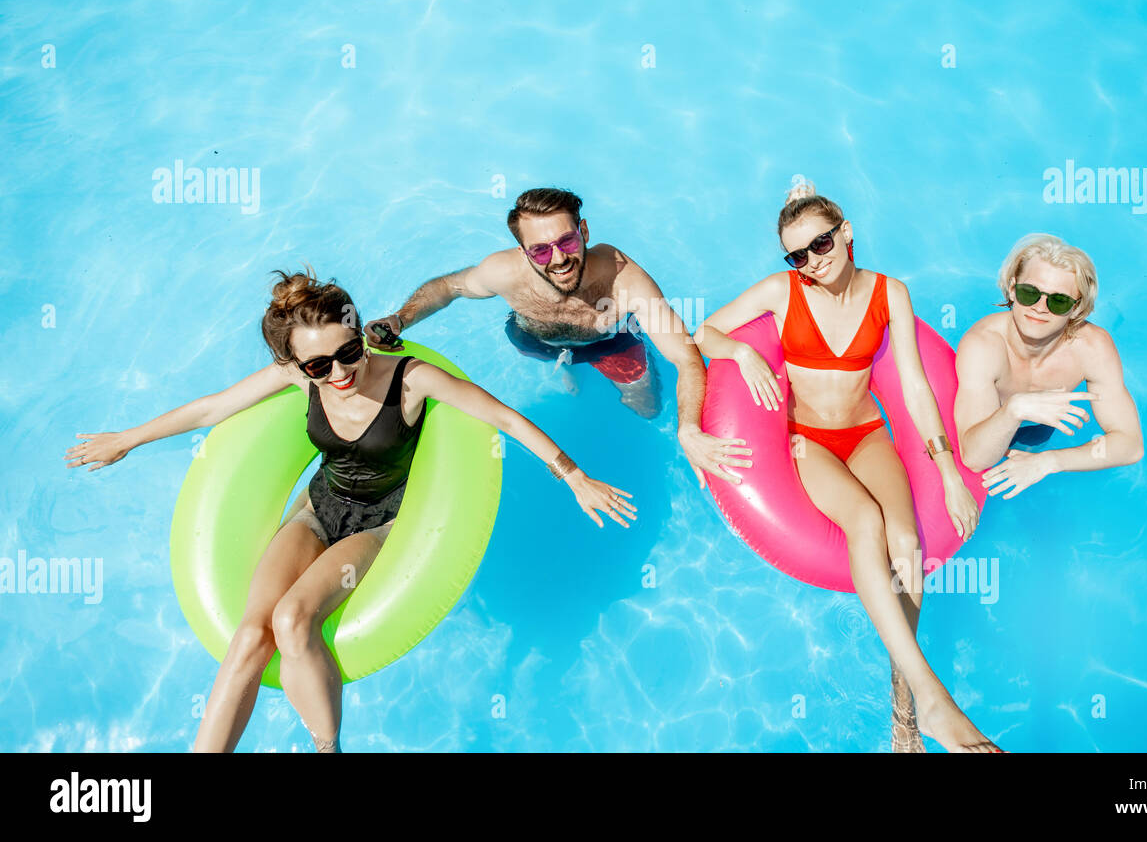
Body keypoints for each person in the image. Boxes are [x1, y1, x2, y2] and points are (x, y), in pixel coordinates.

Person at [65, 269, 635, 752]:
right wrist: (128, 438)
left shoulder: (412, 380)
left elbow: (504, 418)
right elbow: (212, 408)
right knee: (247, 638)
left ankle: (326, 747)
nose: (339, 373)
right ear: (295, 363)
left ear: (361, 333)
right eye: (318, 367)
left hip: (381, 521)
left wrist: (575, 477)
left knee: (292, 621)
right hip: (316, 511)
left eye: (348, 352)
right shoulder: (296, 377)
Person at [692, 182, 999, 753]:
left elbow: (914, 387)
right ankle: (925, 706)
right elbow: (703, 331)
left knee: (906, 540)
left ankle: (906, 706)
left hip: (865, 435)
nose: (813, 261)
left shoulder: (890, 294)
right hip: (808, 442)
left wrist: (949, 473)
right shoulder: (783, 292)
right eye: (797, 254)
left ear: (847, 232)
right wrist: (741, 352)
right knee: (866, 524)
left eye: (822, 243)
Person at [365, 187, 750, 488]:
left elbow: (685, 357)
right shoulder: (503, 272)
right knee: (553, 361)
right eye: (540, 250)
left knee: (647, 408)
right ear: (524, 252)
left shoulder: (626, 282)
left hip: (607, 343)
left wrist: (689, 428)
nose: (559, 258)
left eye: (567, 242)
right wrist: (401, 319)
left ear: (584, 231)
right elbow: (449, 287)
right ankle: (566, 368)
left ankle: (580, 370)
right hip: (534, 340)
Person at [953, 233, 1143, 498]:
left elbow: (1130, 444)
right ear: (1012, 289)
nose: (1040, 308)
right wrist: (1014, 408)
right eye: (1029, 293)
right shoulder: (983, 345)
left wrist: (1048, 462)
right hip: (988, 421)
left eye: (1058, 301)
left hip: (1042, 430)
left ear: (1076, 309)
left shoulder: (1092, 348)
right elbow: (974, 457)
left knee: (1035, 442)